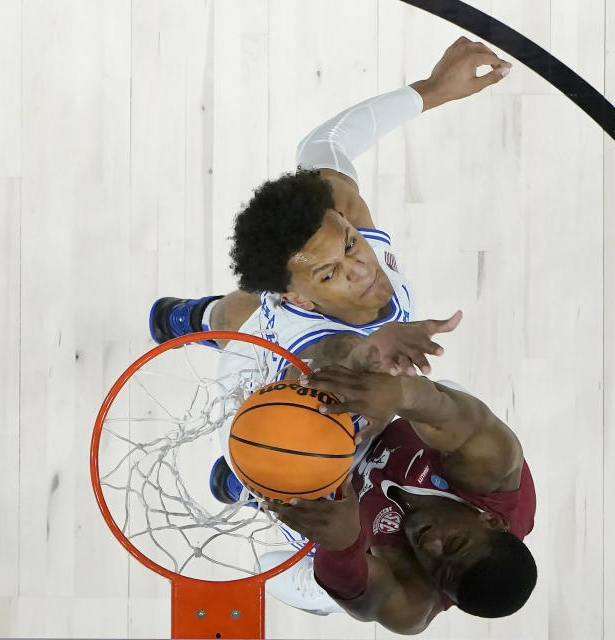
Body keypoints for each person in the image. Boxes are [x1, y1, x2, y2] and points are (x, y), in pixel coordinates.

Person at [149, 36, 514, 380]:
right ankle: (199, 320)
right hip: (275, 382)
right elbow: (332, 354)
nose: (358, 268)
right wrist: (372, 350)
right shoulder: (305, 355)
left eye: (351, 244)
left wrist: (433, 89)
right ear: (296, 300)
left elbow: (324, 142)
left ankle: (200, 316)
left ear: (342, 222)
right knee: (237, 321)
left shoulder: (343, 210)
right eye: (329, 273)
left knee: (244, 308)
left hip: (295, 295)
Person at [265, 364, 537, 631]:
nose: (430, 546)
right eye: (454, 543)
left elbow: (377, 596)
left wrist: (343, 549)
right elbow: (449, 412)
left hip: (357, 516)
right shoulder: (490, 466)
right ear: (490, 520)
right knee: (428, 401)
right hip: (419, 439)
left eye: (438, 571)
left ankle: (329, 592)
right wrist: (401, 394)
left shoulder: (413, 603)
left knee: (316, 571)